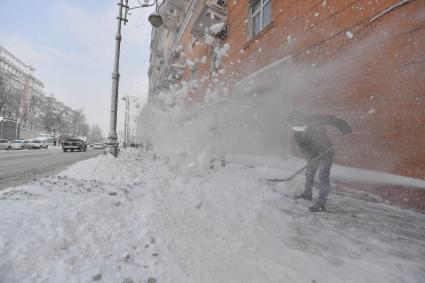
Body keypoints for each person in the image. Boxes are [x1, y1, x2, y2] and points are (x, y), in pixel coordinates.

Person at [287, 110, 352, 212]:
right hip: (314, 155)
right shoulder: (297, 132)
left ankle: (321, 202)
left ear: (299, 117)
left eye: (295, 120)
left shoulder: (314, 118)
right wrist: (310, 158)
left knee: (323, 175)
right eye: (293, 122)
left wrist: (344, 128)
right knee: (309, 173)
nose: (294, 123)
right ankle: (307, 194)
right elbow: (303, 147)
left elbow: (333, 119)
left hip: (327, 151)